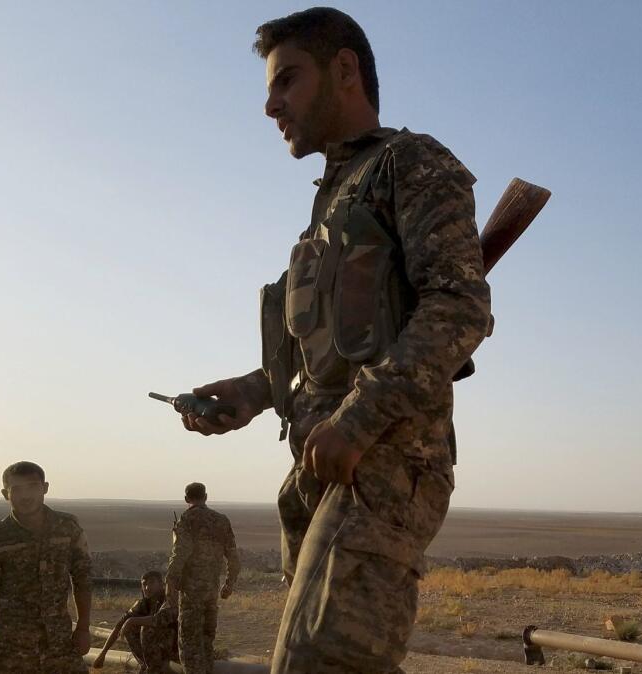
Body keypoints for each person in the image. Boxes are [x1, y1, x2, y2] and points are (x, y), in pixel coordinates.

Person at [177, 7, 491, 673]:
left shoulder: (411, 164)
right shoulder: (336, 197)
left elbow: (459, 308)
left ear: (344, 70)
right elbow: (339, 352)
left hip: (381, 465)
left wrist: (357, 421)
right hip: (323, 472)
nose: (271, 105)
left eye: (287, 80)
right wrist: (257, 391)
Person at [0, 461, 91, 674]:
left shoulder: (67, 528)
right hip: (11, 650)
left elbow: (83, 579)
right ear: (6, 494)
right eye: (17, 489)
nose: (26, 496)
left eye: (33, 487)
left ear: (45, 488)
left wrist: (83, 627)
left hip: (60, 645)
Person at [165, 482, 239, 674]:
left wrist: (170, 583)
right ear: (206, 497)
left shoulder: (186, 520)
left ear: (186, 499)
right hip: (211, 594)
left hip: (191, 595)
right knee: (206, 645)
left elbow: (180, 553)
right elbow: (233, 556)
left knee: (189, 647)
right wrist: (229, 584)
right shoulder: (222, 521)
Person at [92, 570, 179, 673]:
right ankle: (147, 665)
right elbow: (119, 626)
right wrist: (103, 653)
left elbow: (158, 620)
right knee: (130, 628)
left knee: (146, 627)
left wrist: (132, 620)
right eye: (144, 584)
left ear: (161, 584)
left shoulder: (169, 599)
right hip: (159, 650)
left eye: (151, 583)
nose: (147, 588)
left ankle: (155, 668)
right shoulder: (142, 604)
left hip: (176, 647)